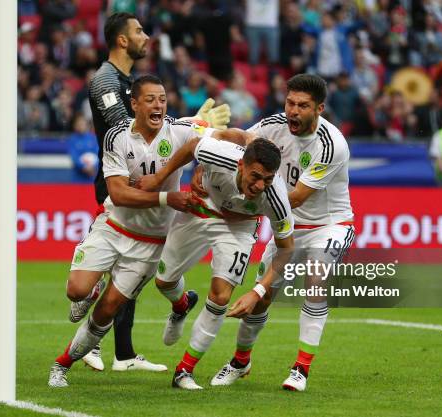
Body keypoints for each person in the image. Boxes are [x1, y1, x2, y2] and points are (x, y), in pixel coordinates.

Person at [73, 12, 231, 372]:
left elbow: (150, 130)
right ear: (123, 40)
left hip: (139, 176)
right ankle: (96, 328)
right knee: (126, 262)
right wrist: (192, 123)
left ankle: (123, 353)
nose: (147, 37)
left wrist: (189, 125)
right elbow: (127, 130)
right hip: (122, 180)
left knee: (134, 269)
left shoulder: (126, 79)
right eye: (140, 31)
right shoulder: (105, 81)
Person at [48, 75, 206, 387]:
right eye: (150, 99)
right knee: (76, 292)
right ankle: (92, 289)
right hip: (113, 227)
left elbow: (213, 142)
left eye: (162, 98)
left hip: (150, 243)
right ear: (134, 104)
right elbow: (119, 194)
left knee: (107, 310)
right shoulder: (116, 138)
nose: (158, 104)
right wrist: (166, 197)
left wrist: (247, 140)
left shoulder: (180, 130)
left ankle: (62, 364)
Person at [208, 74, 355, 392]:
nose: (293, 111)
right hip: (287, 228)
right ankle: (240, 361)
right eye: (290, 103)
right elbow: (243, 141)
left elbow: (298, 198)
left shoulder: (332, 145)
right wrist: (213, 134)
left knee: (315, 279)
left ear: (319, 108)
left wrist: (244, 205)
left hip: (329, 225)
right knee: (261, 302)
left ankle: (300, 369)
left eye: (303, 106)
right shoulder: (274, 125)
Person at [137, 137, 295, 390]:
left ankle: (184, 370)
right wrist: (159, 179)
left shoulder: (276, 197)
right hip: (200, 207)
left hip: (238, 228)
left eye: (267, 179)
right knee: (163, 281)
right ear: (241, 164)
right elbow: (191, 146)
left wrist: (258, 291)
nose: (259, 185)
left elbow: (287, 250)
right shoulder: (220, 154)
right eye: (255, 176)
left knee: (221, 297)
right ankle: (181, 305)